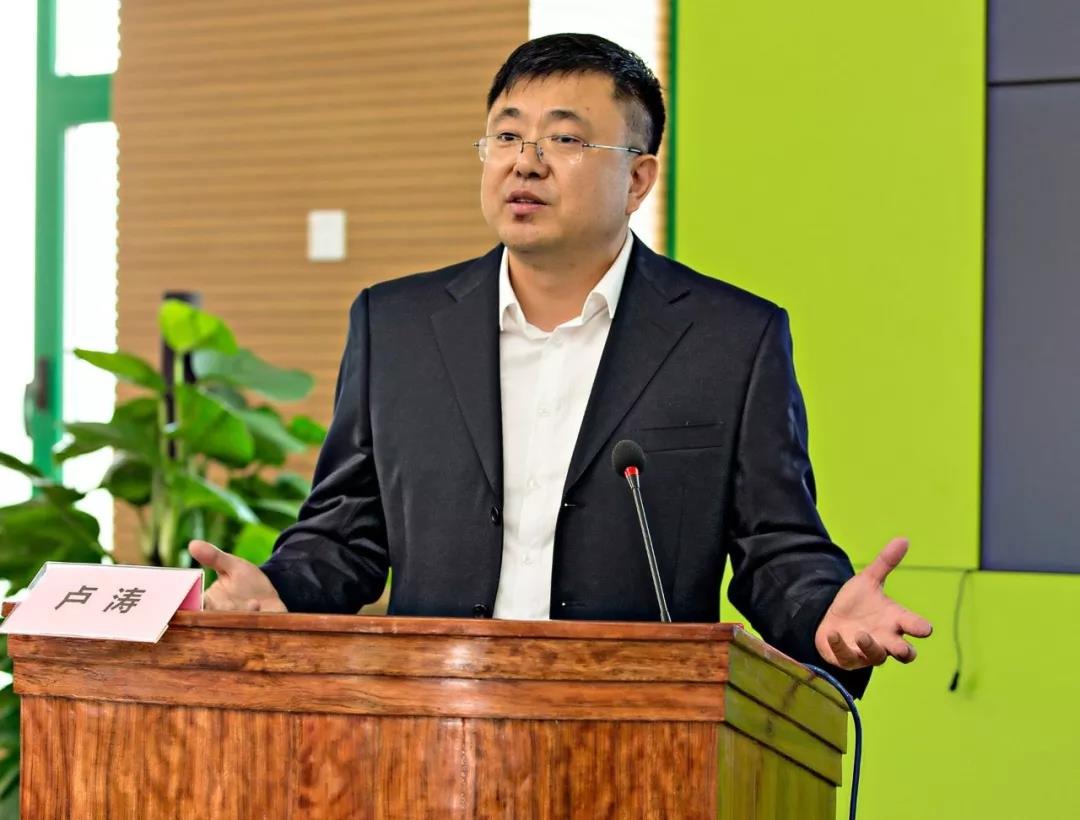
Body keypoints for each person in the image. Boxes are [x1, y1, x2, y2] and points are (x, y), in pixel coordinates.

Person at [189, 33, 931, 695]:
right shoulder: (397, 325)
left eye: (565, 140)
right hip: (431, 715)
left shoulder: (730, 337)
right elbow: (346, 529)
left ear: (638, 179)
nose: (526, 162)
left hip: (640, 726)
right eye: (507, 135)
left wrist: (825, 612)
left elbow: (774, 544)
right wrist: (280, 591)